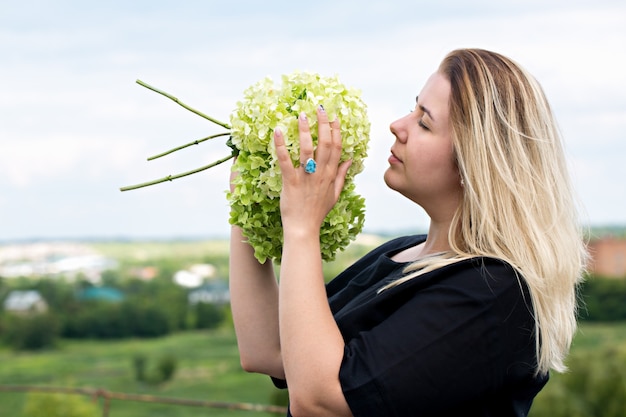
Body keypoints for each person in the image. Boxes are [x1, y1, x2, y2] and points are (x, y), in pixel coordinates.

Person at [228, 48, 587, 417]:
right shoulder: (403, 253)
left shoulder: (493, 292)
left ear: (473, 161)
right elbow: (269, 350)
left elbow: (318, 402)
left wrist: (302, 227)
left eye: (424, 122)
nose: (398, 125)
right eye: (413, 108)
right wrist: (249, 201)